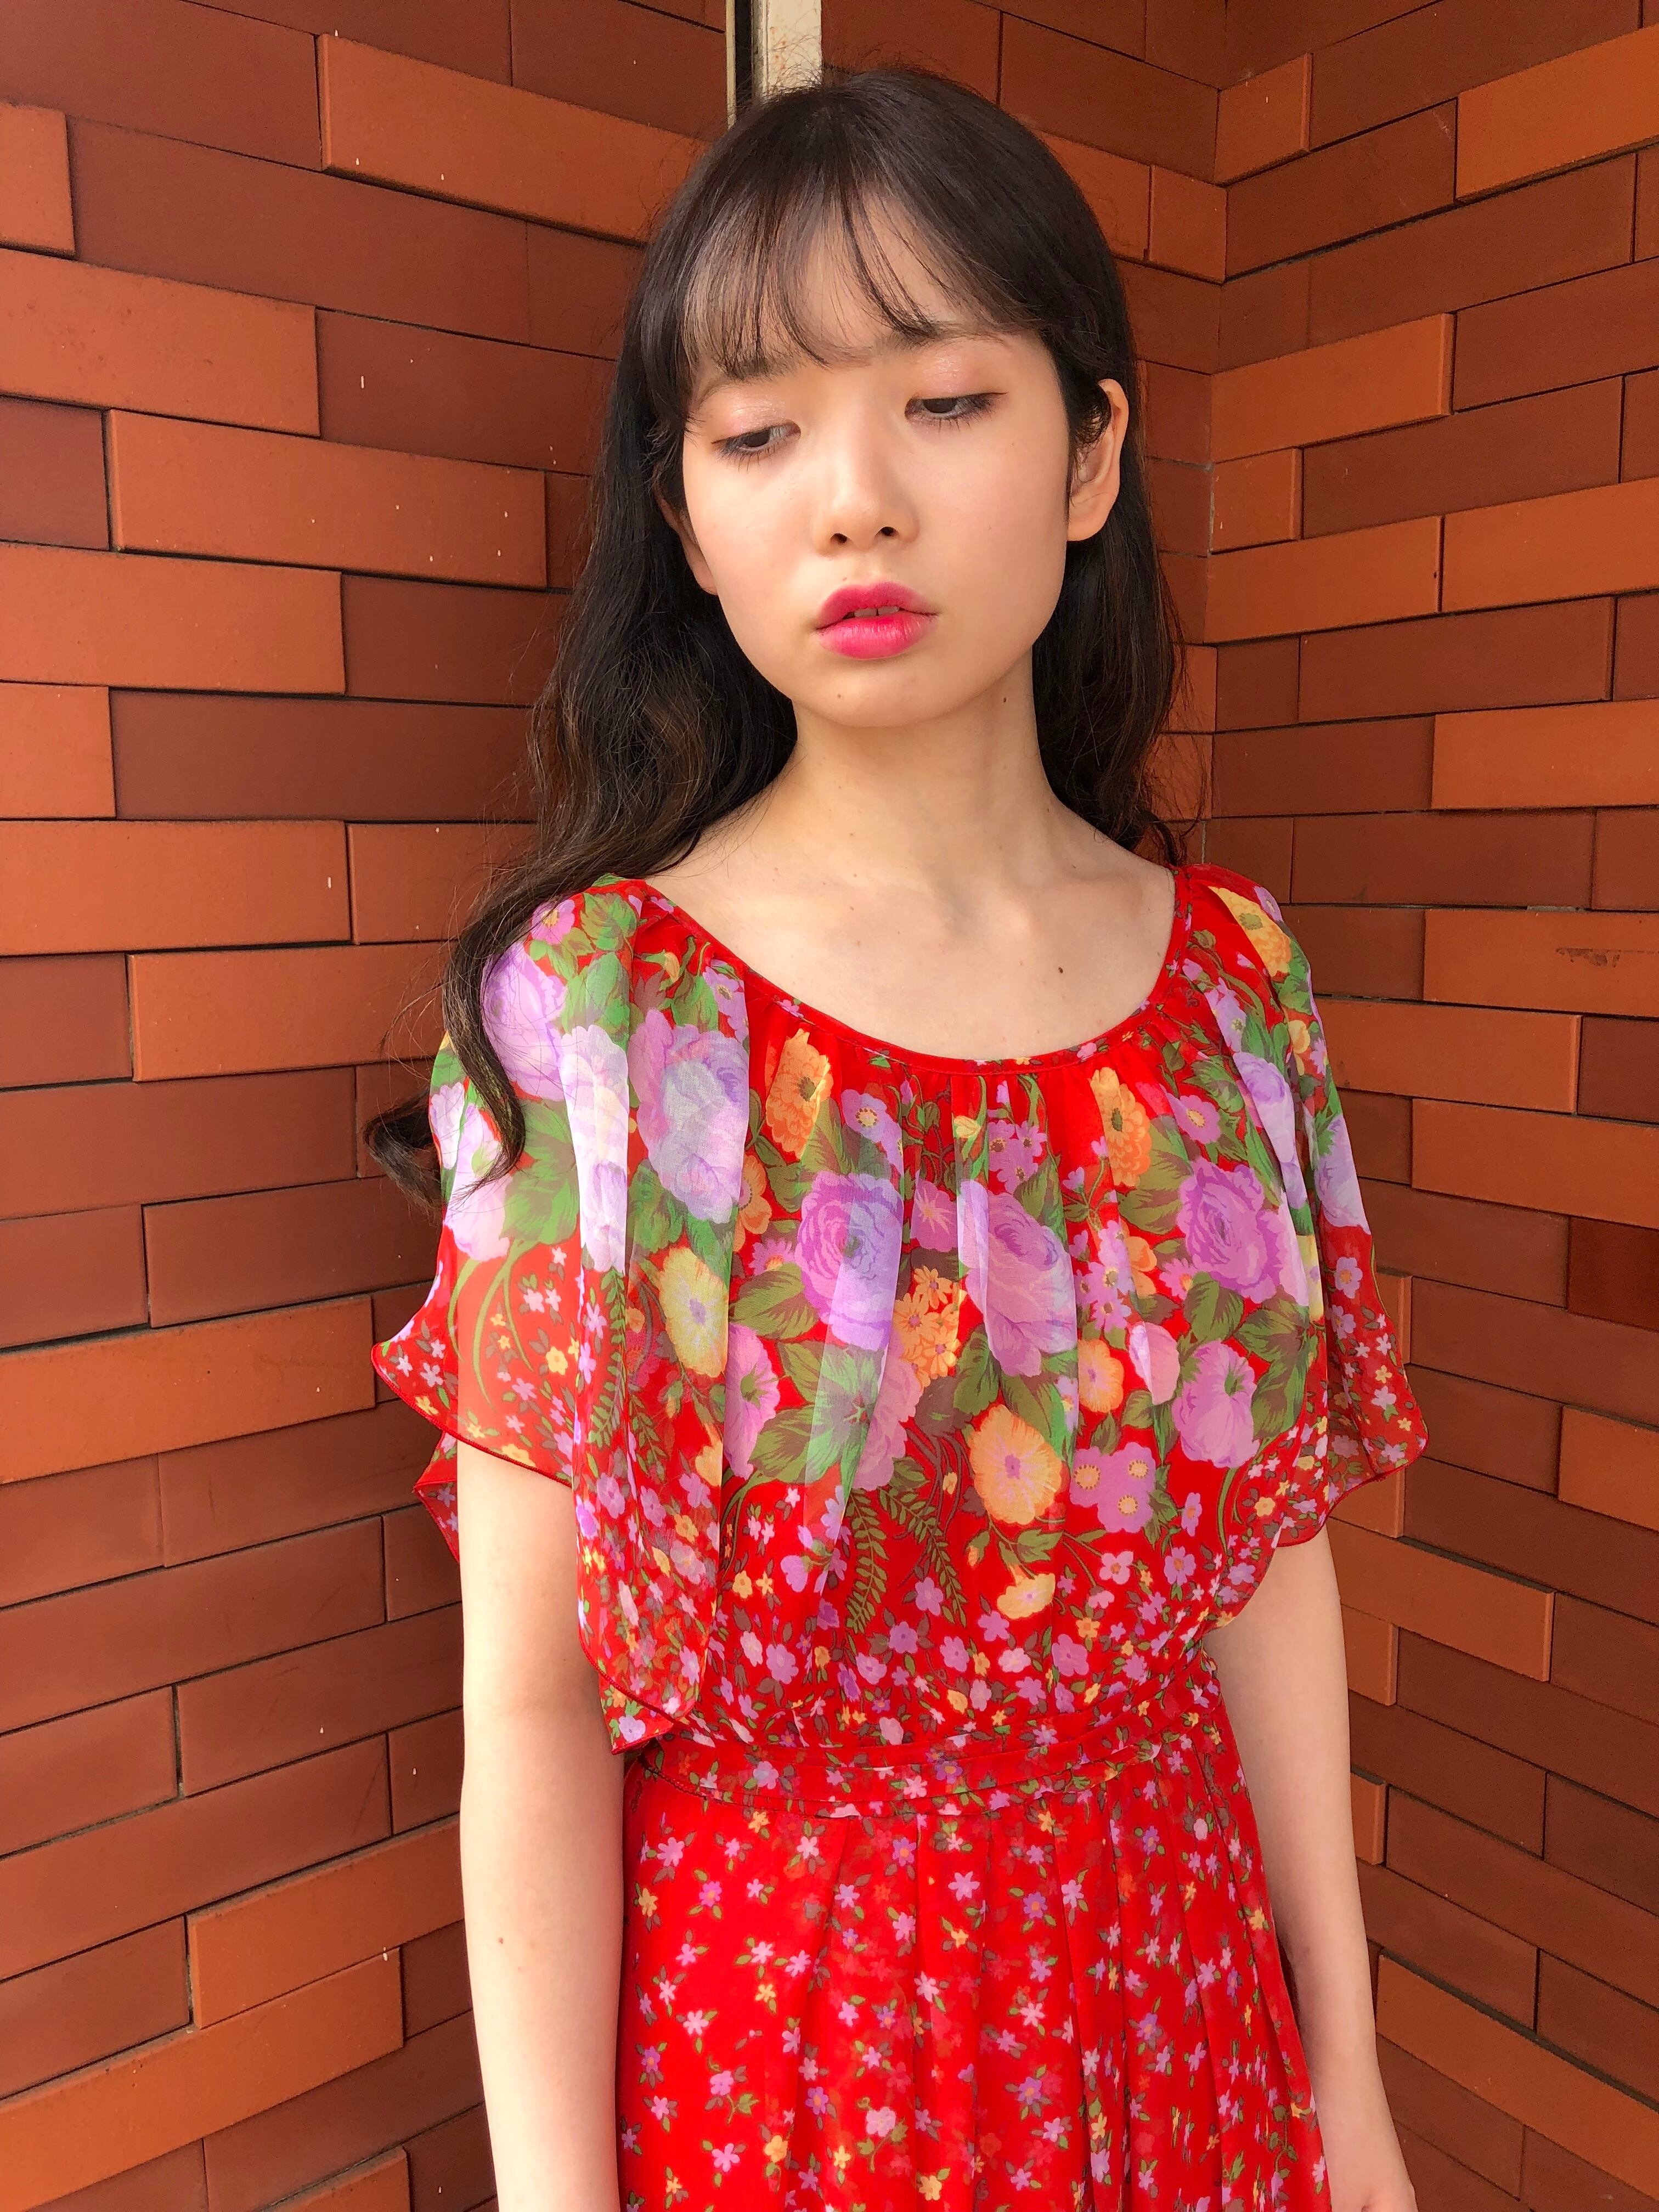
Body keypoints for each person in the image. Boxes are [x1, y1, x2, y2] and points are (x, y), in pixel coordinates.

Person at [365, 63, 1429, 2212]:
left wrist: (1356, 2088)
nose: (852, 501)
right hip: (784, 2058)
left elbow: (1268, 1573)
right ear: (688, 523)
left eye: (943, 401)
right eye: (759, 434)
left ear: (1091, 453)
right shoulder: (598, 1016)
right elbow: (538, 1710)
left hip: (1181, 2009)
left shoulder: (1238, 984)